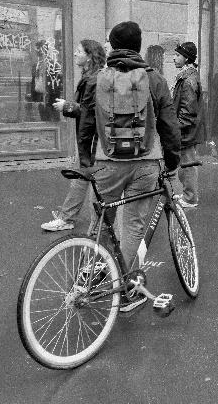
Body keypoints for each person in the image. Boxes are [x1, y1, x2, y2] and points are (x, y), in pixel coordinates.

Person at [77, 21, 181, 312]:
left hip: (106, 162)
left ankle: (88, 276)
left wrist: (87, 162)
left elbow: (85, 124)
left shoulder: (96, 79)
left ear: (111, 46)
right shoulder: (155, 79)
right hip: (145, 163)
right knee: (134, 225)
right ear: (138, 46)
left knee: (102, 220)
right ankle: (125, 292)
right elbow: (170, 127)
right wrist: (172, 164)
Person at [40, 39, 106, 231]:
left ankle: (91, 226)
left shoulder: (95, 79)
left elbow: (91, 112)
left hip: (93, 141)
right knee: (83, 177)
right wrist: (70, 105)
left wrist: (68, 106)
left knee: (90, 179)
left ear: (89, 56)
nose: (75, 54)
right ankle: (69, 217)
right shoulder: (91, 76)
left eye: (79, 51)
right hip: (90, 139)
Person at [171, 41, 202, 208]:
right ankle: (188, 194)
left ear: (186, 58)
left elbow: (188, 113)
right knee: (185, 164)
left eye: (177, 55)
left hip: (186, 131)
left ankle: (190, 198)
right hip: (186, 130)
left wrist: (173, 127)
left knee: (188, 165)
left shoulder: (188, 80)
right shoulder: (187, 76)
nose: (174, 58)